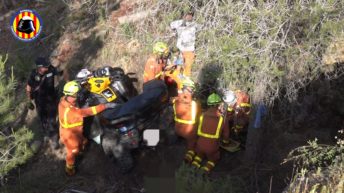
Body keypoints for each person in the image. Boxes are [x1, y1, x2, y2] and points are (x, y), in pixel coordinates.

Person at [58, 81, 117, 176]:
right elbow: (88, 111)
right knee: (73, 152)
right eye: (77, 92)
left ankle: (82, 148)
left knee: (84, 141)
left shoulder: (63, 100)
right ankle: (69, 169)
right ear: (73, 94)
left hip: (69, 130)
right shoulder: (73, 112)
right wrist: (105, 106)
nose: (79, 94)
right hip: (70, 136)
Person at [26, 57, 65, 139]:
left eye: (48, 65)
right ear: (39, 67)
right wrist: (29, 101)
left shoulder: (51, 69)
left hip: (51, 98)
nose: (47, 67)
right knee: (42, 118)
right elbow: (28, 88)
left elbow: (61, 72)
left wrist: (61, 62)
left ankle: (54, 138)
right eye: (45, 66)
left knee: (51, 118)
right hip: (39, 101)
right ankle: (46, 133)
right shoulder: (33, 74)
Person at [192, 93, 229, 173]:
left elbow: (196, 129)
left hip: (199, 145)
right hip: (212, 148)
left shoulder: (202, 116)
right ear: (219, 105)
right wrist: (225, 142)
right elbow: (226, 135)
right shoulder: (222, 119)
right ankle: (205, 170)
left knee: (199, 155)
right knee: (213, 159)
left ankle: (194, 165)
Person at [172, 77, 200, 163]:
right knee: (193, 144)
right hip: (189, 132)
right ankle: (189, 157)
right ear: (189, 89)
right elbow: (198, 116)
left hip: (177, 129)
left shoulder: (175, 101)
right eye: (192, 89)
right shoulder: (194, 104)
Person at [170, 10, 200, 76]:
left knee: (188, 68)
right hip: (180, 50)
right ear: (184, 15)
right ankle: (176, 83)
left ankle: (186, 83)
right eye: (188, 14)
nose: (189, 16)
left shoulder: (195, 25)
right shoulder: (178, 23)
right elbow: (171, 26)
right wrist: (174, 33)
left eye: (191, 15)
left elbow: (202, 30)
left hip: (190, 50)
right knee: (178, 67)